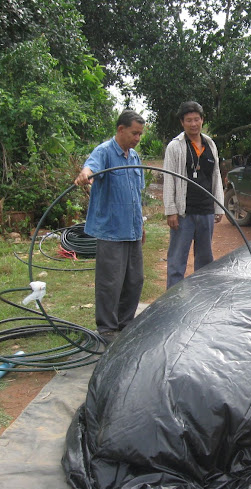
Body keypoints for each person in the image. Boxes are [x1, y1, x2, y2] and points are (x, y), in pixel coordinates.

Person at [74, 110, 146, 344]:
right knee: (110, 281)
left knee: (135, 279)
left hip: (132, 229)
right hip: (111, 230)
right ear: (121, 129)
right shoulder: (104, 152)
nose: (137, 138)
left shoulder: (134, 157)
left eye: (140, 134)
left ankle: (125, 324)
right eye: (134, 133)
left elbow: (136, 194)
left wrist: (141, 224)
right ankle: (106, 328)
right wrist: (85, 174)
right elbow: (90, 167)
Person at [162, 101, 224, 289]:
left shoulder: (210, 144)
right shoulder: (175, 146)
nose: (193, 124)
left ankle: (202, 297)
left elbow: (216, 175)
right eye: (189, 120)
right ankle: (172, 300)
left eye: (197, 119)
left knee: (205, 258)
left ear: (202, 120)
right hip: (184, 212)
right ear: (182, 122)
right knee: (177, 259)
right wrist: (171, 210)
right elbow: (169, 178)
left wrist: (218, 205)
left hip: (206, 209)